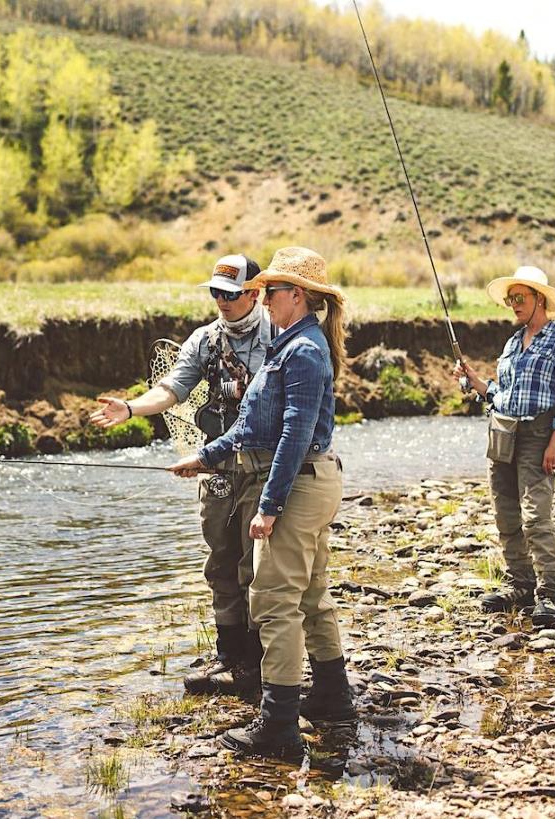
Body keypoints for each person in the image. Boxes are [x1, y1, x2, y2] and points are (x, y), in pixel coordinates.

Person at [170, 246, 356, 760]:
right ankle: (333, 698)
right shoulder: (295, 344)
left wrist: (269, 506)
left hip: (301, 483)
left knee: (274, 602)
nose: (263, 298)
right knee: (313, 593)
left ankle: (278, 724)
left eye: (270, 290)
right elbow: (253, 425)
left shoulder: (303, 350)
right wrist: (204, 457)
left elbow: (294, 434)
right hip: (313, 480)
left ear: (296, 295)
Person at [90, 254, 272, 697]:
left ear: (254, 293)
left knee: (255, 568)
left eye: (230, 295)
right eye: (215, 293)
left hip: (265, 468)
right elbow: (172, 389)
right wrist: (131, 408)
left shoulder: (281, 335)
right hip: (216, 469)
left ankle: (259, 664)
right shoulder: (204, 340)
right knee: (220, 563)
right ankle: (229, 655)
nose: (221, 302)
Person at [454, 266, 555, 629]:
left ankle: (550, 594)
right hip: (502, 433)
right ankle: (521, 584)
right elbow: (500, 395)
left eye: (519, 298)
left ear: (539, 298)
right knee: (506, 515)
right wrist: (474, 381)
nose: (513, 304)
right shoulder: (512, 342)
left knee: (536, 516)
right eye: (510, 299)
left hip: (538, 436)